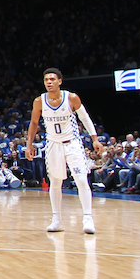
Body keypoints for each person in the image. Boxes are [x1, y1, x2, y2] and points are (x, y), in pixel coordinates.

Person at [25, 68, 103, 234]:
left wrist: (94, 138)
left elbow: (85, 117)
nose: (49, 82)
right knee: (55, 183)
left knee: (81, 180)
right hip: (53, 144)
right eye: (46, 80)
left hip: (72, 143)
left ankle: (88, 218)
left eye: (52, 79)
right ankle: (57, 220)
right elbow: (33, 123)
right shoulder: (39, 101)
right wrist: (29, 144)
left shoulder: (71, 98)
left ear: (59, 81)